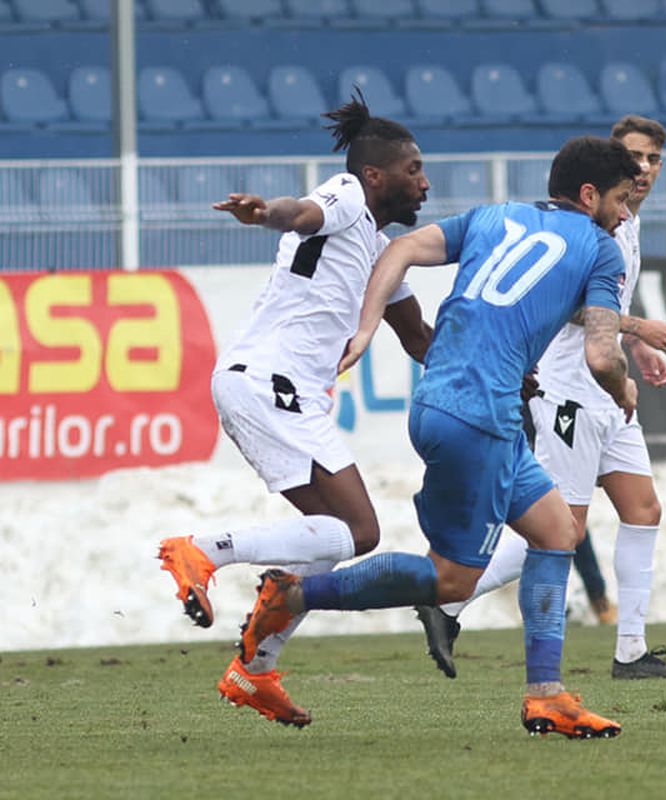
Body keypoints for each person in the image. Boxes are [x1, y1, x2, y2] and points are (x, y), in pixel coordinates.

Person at [236, 134, 643, 739]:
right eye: (619, 200)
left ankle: (548, 694)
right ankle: (293, 596)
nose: (625, 214)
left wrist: (369, 325)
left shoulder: (494, 217)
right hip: (479, 418)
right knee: (452, 579)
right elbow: (603, 355)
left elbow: (397, 248)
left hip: (446, 403)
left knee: (557, 530)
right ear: (589, 195)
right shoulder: (601, 250)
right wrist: (623, 390)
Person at [155, 91, 432, 728]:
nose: (424, 181)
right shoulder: (345, 196)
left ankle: (253, 668)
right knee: (358, 531)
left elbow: (419, 338)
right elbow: (302, 213)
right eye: (413, 168)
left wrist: (494, 375)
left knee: (339, 539)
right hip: (268, 380)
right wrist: (267, 214)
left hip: (284, 391)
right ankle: (203, 549)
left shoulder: (384, 248)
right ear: (375, 174)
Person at [415, 115, 666, 681]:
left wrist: (634, 350)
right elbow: (570, 305)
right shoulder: (594, 223)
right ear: (610, 165)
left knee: (643, 510)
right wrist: (638, 328)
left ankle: (631, 651)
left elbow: (605, 310)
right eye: (633, 158)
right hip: (569, 390)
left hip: (610, 392)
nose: (642, 170)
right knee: (560, 530)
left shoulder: (627, 224)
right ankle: (447, 600)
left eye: (653, 160)